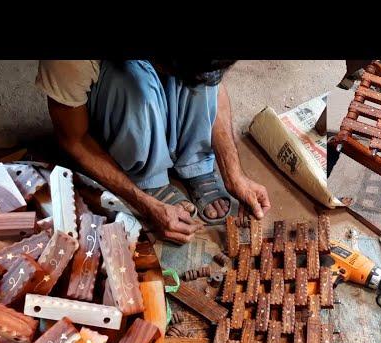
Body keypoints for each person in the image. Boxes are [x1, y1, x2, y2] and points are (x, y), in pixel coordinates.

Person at [36, 60, 271, 244]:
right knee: (134, 84)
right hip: (113, 99)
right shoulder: (67, 62)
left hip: (167, 66)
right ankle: (147, 177)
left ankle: (195, 163)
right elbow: (74, 140)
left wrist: (234, 175)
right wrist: (144, 203)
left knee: (198, 80)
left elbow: (212, 85)